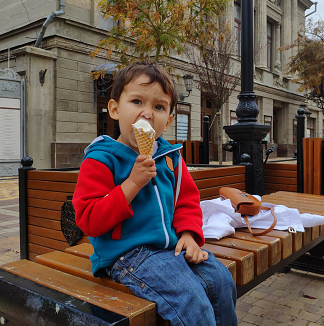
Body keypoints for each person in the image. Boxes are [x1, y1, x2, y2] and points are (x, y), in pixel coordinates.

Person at [73, 62, 237, 326]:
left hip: (171, 247)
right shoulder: (102, 159)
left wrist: (189, 236)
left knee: (220, 280)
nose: (147, 113)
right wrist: (132, 184)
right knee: (191, 299)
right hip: (127, 255)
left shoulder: (170, 157)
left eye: (159, 107)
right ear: (115, 109)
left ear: (169, 120)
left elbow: (187, 202)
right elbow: (89, 219)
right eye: (137, 101)